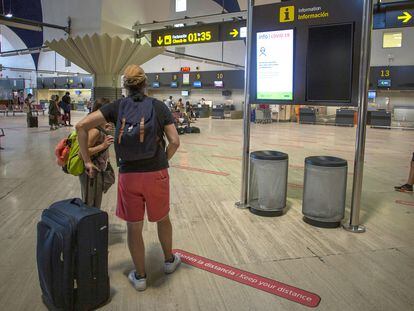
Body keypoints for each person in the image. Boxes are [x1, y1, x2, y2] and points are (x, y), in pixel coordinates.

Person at [76, 64, 181, 292]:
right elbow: (174, 141)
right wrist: (163, 160)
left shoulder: (116, 107)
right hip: (156, 173)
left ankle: (141, 276)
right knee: (162, 219)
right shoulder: (158, 106)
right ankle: (169, 262)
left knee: (134, 227)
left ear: (124, 85)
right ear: (145, 84)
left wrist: (87, 161)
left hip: (129, 175)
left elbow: (81, 126)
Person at [79, 98, 114, 208]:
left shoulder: (98, 127)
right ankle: (90, 223)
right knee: (91, 202)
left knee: (95, 200)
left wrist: (104, 127)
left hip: (96, 169)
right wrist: (102, 146)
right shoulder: (94, 131)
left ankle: (92, 222)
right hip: (91, 171)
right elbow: (82, 153)